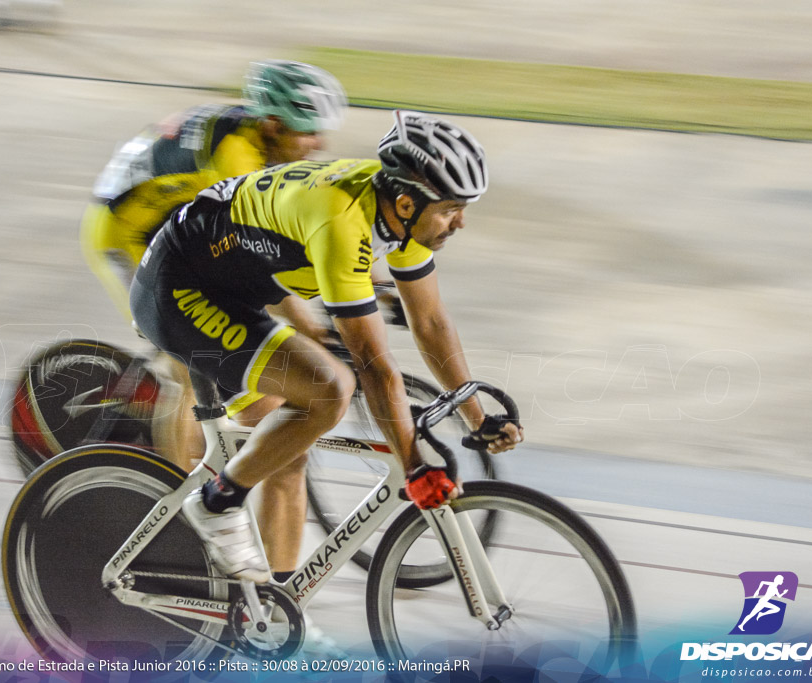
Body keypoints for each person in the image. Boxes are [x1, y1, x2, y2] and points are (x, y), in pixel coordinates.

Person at [130, 109, 525, 585]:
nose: (459, 222)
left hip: (241, 285)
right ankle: (216, 500)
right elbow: (375, 368)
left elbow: (431, 322)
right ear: (405, 203)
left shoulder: (408, 215)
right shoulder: (343, 222)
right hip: (180, 288)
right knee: (327, 389)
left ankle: (278, 613)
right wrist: (415, 465)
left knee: (289, 451)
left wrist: (477, 417)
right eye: (450, 209)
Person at [80, 59, 347, 472]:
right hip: (125, 233)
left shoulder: (257, 139)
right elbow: (263, 252)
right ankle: (176, 493)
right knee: (189, 364)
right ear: (274, 125)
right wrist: (308, 324)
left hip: (171, 224)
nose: (320, 145)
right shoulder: (236, 157)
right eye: (310, 132)